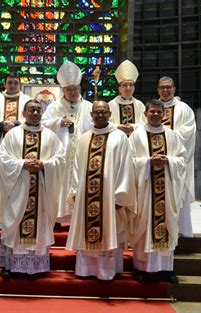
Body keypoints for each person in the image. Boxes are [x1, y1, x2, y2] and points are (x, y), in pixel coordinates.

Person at [65, 101, 136, 280]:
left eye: (104, 112)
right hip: (86, 197)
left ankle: (107, 272)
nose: (100, 115)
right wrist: (74, 191)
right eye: (97, 112)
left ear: (110, 114)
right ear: (91, 115)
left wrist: (120, 197)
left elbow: (125, 167)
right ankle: (86, 270)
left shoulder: (119, 137)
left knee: (109, 232)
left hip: (110, 198)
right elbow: (76, 167)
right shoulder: (84, 138)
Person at [0, 99, 65, 278]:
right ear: (24, 113)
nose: (35, 113)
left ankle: (35, 267)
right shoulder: (13, 135)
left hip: (41, 191)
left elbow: (61, 159)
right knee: (16, 223)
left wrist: (44, 164)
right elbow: (3, 159)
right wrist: (22, 164)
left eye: (38, 110)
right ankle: (13, 266)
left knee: (39, 223)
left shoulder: (51, 136)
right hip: (18, 189)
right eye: (31, 110)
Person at [129, 99, 186, 283]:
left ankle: (165, 269)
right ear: (145, 114)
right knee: (144, 227)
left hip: (166, 191)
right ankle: (142, 268)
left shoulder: (173, 136)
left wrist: (169, 160)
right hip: (145, 190)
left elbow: (183, 159)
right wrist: (147, 162)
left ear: (164, 114)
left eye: (158, 112)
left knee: (167, 225)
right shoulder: (136, 135)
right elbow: (129, 161)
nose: (155, 115)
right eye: (152, 112)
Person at [42, 61, 93, 222]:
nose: (72, 92)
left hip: (81, 157)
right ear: (62, 90)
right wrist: (57, 123)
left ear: (80, 89)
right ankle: (57, 218)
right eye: (69, 89)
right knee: (58, 189)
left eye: (75, 89)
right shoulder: (53, 107)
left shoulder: (89, 107)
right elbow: (42, 126)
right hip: (60, 158)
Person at [157, 76, 196, 237]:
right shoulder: (152, 108)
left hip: (175, 164)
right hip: (155, 162)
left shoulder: (184, 109)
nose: (165, 90)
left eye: (168, 87)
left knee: (178, 197)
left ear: (174, 89)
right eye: (162, 88)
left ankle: (180, 231)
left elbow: (188, 132)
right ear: (158, 90)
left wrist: (164, 138)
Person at [0, 74, 31, 140]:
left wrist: (17, 124)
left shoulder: (28, 101)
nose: (13, 85)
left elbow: (33, 119)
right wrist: (2, 125)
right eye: (10, 83)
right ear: (5, 85)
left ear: (20, 85)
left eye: (16, 83)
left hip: (21, 140)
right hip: (0, 141)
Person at [108, 60, 146, 136]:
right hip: (117, 139)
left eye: (131, 85)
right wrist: (117, 127)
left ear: (134, 88)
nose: (128, 88)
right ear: (120, 89)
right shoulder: (111, 105)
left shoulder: (139, 105)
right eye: (125, 85)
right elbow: (106, 124)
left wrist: (133, 127)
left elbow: (145, 123)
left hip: (135, 140)